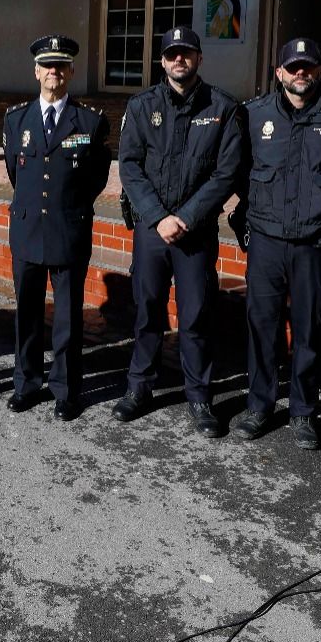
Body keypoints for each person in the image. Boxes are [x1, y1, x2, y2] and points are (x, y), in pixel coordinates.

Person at [114, 26, 248, 437]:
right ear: (162, 60)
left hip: (196, 231)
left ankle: (200, 396)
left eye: (186, 53)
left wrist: (185, 217)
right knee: (147, 311)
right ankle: (139, 387)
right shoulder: (142, 106)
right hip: (152, 229)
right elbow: (130, 166)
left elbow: (227, 173)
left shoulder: (223, 108)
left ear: (199, 58)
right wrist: (159, 217)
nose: (179, 59)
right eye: (172, 53)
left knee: (196, 316)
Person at [230, 38, 321, 449]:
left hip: (315, 245)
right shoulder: (254, 116)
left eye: (308, 66)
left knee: (309, 330)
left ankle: (304, 411)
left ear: (319, 71)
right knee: (261, 326)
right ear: (279, 72)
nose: (300, 73)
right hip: (266, 241)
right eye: (293, 67)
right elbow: (237, 171)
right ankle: (260, 404)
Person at [2, 35, 111, 420]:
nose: (54, 71)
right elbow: (16, 173)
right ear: (36, 72)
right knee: (27, 314)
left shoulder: (91, 122)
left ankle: (66, 390)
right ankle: (27, 384)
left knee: (67, 318)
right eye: (47, 65)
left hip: (68, 231)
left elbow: (96, 178)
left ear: (71, 71)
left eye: (61, 65)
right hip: (28, 230)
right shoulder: (16, 119)